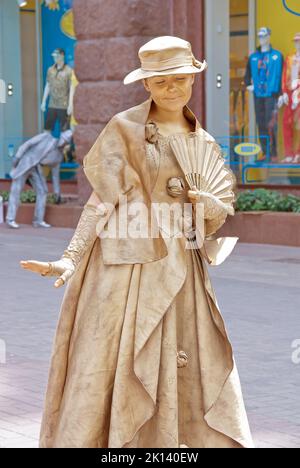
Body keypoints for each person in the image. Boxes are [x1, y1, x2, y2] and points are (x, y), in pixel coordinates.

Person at [20, 36, 254, 448]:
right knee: (114, 364)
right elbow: (100, 200)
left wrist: (208, 205)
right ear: (145, 84)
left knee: (188, 362)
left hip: (183, 272)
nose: (172, 89)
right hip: (124, 271)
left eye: (180, 79)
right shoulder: (124, 129)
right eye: (161, 81)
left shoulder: (205, 143)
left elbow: (211, 224)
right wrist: (71, 258)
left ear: (193, 80)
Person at [6, 130, 72, 229]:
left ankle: (38, 220)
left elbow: (55, 176)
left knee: (43, 191)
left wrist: (57, 193)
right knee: (16, 189)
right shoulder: (45, 137)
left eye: (66, 142)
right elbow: (28, 144)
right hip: (25, 162)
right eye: (64, 139)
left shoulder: (58, 156)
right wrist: (17, 156)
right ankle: (10, 219)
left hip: (36, 168)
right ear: (61, 137)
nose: (64, 142)